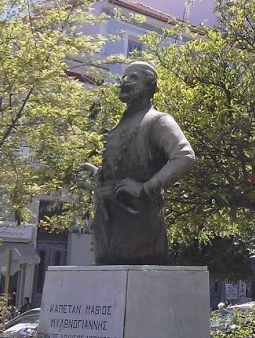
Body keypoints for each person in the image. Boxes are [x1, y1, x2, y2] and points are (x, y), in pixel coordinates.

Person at [79, 61, 196, 265]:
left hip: (140, 232)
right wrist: (100, 174)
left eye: (133, 77)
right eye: (124, 77)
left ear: (150, 86)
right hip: (107, 231)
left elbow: (185, 156)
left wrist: (145, 188)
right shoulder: (119, 126)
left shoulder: (158, 121)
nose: (124, 81)